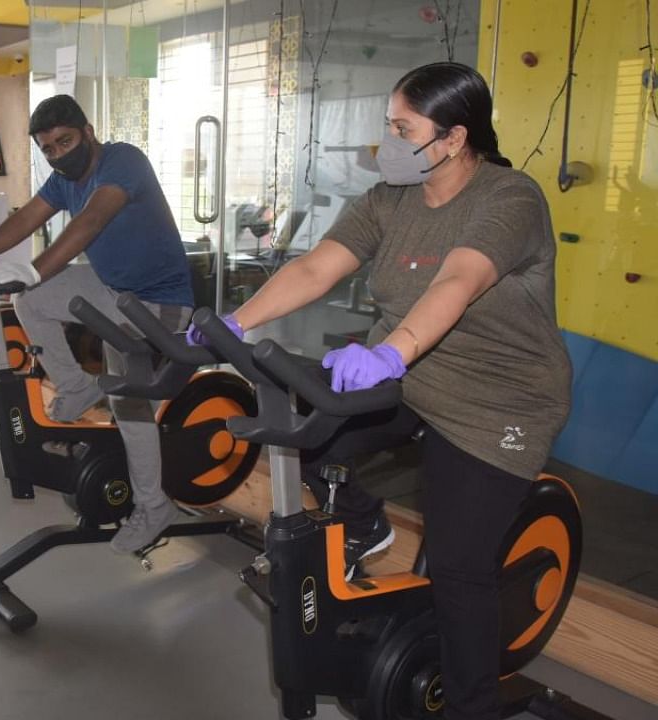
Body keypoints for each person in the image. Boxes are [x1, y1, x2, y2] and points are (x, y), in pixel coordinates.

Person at [193, 62, 571, 720]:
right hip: (413, 379)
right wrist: (234, 322)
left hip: (498, 403)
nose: (387, 141)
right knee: (301, 435)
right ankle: (365, 523)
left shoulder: (510, 198)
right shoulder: (390, 197)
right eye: (387, 124)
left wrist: (391, 353)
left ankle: (472, 707)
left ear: (454, 139)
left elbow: (458, 279)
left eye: (403, 128)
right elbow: (316, 267)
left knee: (457, 571)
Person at [0, 95, 195, 554]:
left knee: (129, 407)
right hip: (112, 290)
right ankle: (75, 385)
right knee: (30, 298)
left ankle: (155, 507)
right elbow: (30, 216)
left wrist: (35, 268)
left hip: (158, 305)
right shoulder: (62, 179)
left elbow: (92, 220)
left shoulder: (123, 161)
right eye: (48, 148)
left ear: (88, 131)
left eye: (65, 141)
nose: (58, 154)